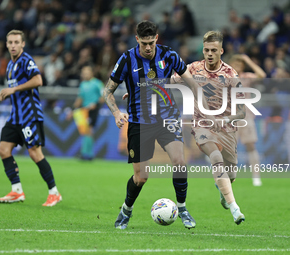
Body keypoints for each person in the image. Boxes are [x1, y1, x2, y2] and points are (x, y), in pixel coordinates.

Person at [103, 20, 220, 230]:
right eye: (144, 43)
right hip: (140, 122)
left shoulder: (169, 55)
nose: (148, 48)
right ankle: (126, 211)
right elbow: (107, 91)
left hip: (168, 118)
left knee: (180, 162)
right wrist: (116, 112)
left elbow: (191, 83)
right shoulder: (126, 59)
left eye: (151, 42)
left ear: (157, 38)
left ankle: (183, 208)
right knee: (141, 177)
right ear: (137, 39)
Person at [172, 31, 246, 225]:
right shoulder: (193, 69)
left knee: (230, 175)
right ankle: (234, 208)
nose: (210, 53)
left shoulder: (231, 74)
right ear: (203, 50)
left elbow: (242, 112)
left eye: (214, 50)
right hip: (202, 125)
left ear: (221, 51)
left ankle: (224, 192)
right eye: (206, 50)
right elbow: (168, 81)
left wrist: (226, 119)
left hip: (226, 129)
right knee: (215, 157)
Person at [0, 30, 62, 207]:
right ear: (6, 44)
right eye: (10, 42)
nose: (13, 45)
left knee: (34, 153)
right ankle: (17, 190)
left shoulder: (26, 60)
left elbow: (38, 80)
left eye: (16, 42)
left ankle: (54, 192)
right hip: (15, 117)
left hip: (30, 116)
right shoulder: (10, 65)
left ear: (23, 44)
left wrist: (13, 89)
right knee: (3, 149)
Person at [229, 54, 266, 186]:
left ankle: (256, 176)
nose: (238, 66)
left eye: (241, 64)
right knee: (230, 148)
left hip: (246, 116)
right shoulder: (225, 77)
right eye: (236, 63)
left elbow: (262, 74)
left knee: (250, 146)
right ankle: (229, 177)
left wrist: (247, 59)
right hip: (230, 117)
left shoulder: (246, 77)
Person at [70, 66, 104, 160]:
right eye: (83, 72)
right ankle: (88, 154)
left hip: (93, 110)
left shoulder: (97, 83)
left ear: (91, 73)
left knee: (88, 131)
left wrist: (95, 104)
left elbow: (103, 96)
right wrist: (72, 110)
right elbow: (79, 99)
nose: (84, 74)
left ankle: (87, 154)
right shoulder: (83, 84)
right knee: (86, 132)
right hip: (84, 111)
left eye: (86, 72)